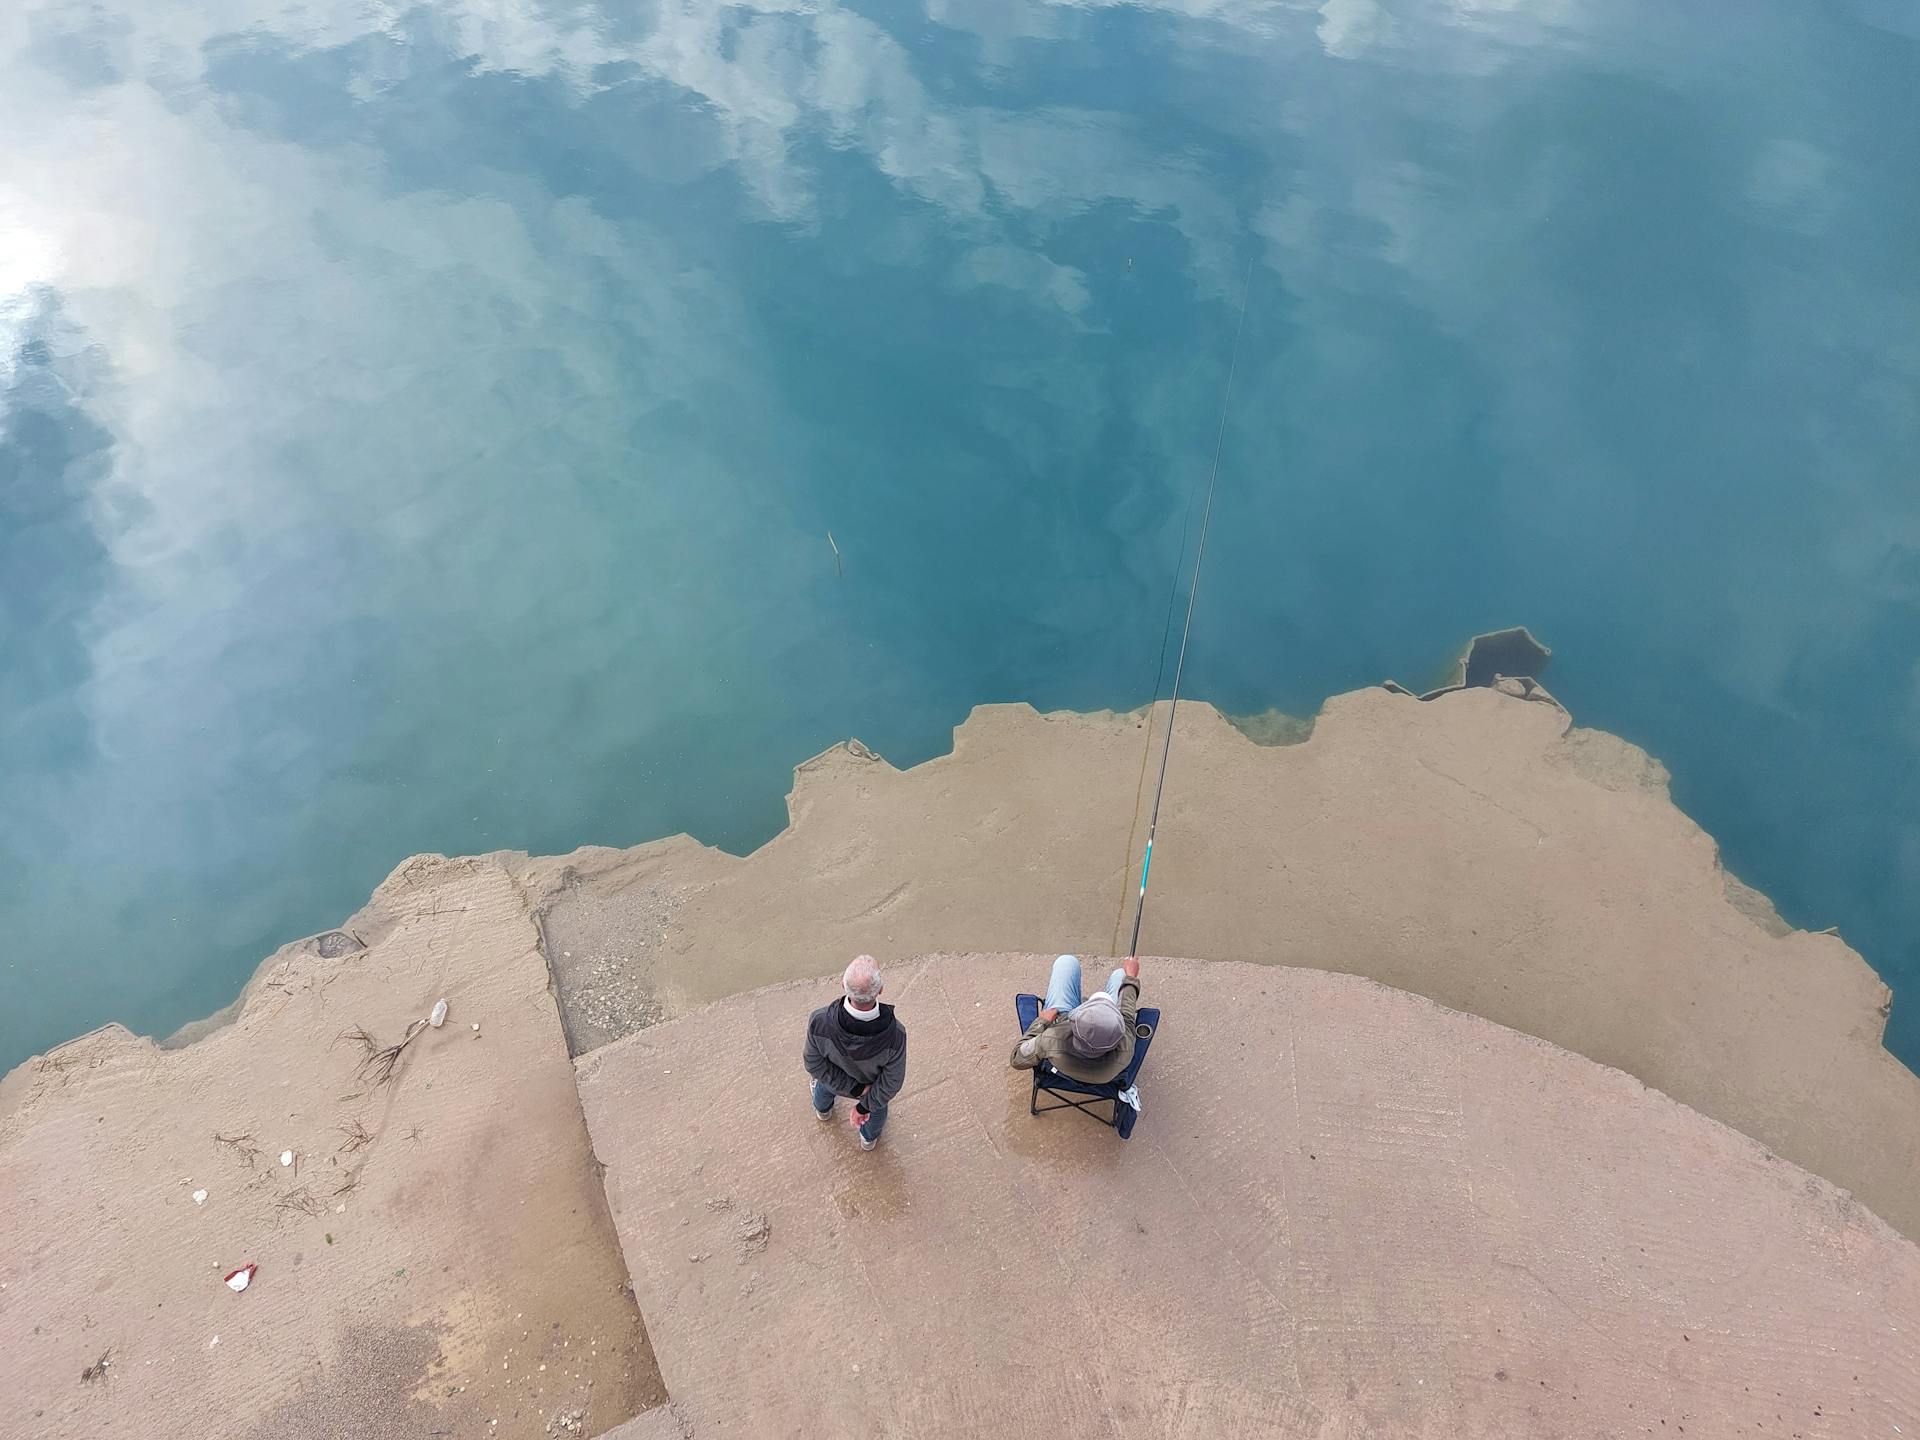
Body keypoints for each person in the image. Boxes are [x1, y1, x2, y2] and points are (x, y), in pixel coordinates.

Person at [803, 955, 907, 1151]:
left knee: (823, 1088)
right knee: (877, 1111)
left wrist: (852, 1088)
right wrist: (863, 1105)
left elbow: (813, 1063)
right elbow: (892, 1082)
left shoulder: (819, 1020)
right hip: (872, 1090)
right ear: (881, 990)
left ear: (842, 985)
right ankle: (868, 1140)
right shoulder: (896, 1034)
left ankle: (823, 1112)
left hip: (835, 1080)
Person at [1010, 954, 1141, 1085]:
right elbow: (1127, 1015)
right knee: (1121, 974)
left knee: (1066, 962)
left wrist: (1042, 1021)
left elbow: (1017, 1058)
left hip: (1062, 1067)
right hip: (1103, 1078)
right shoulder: (1125, 1046)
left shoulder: (1052, 1039)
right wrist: (1130, 977)